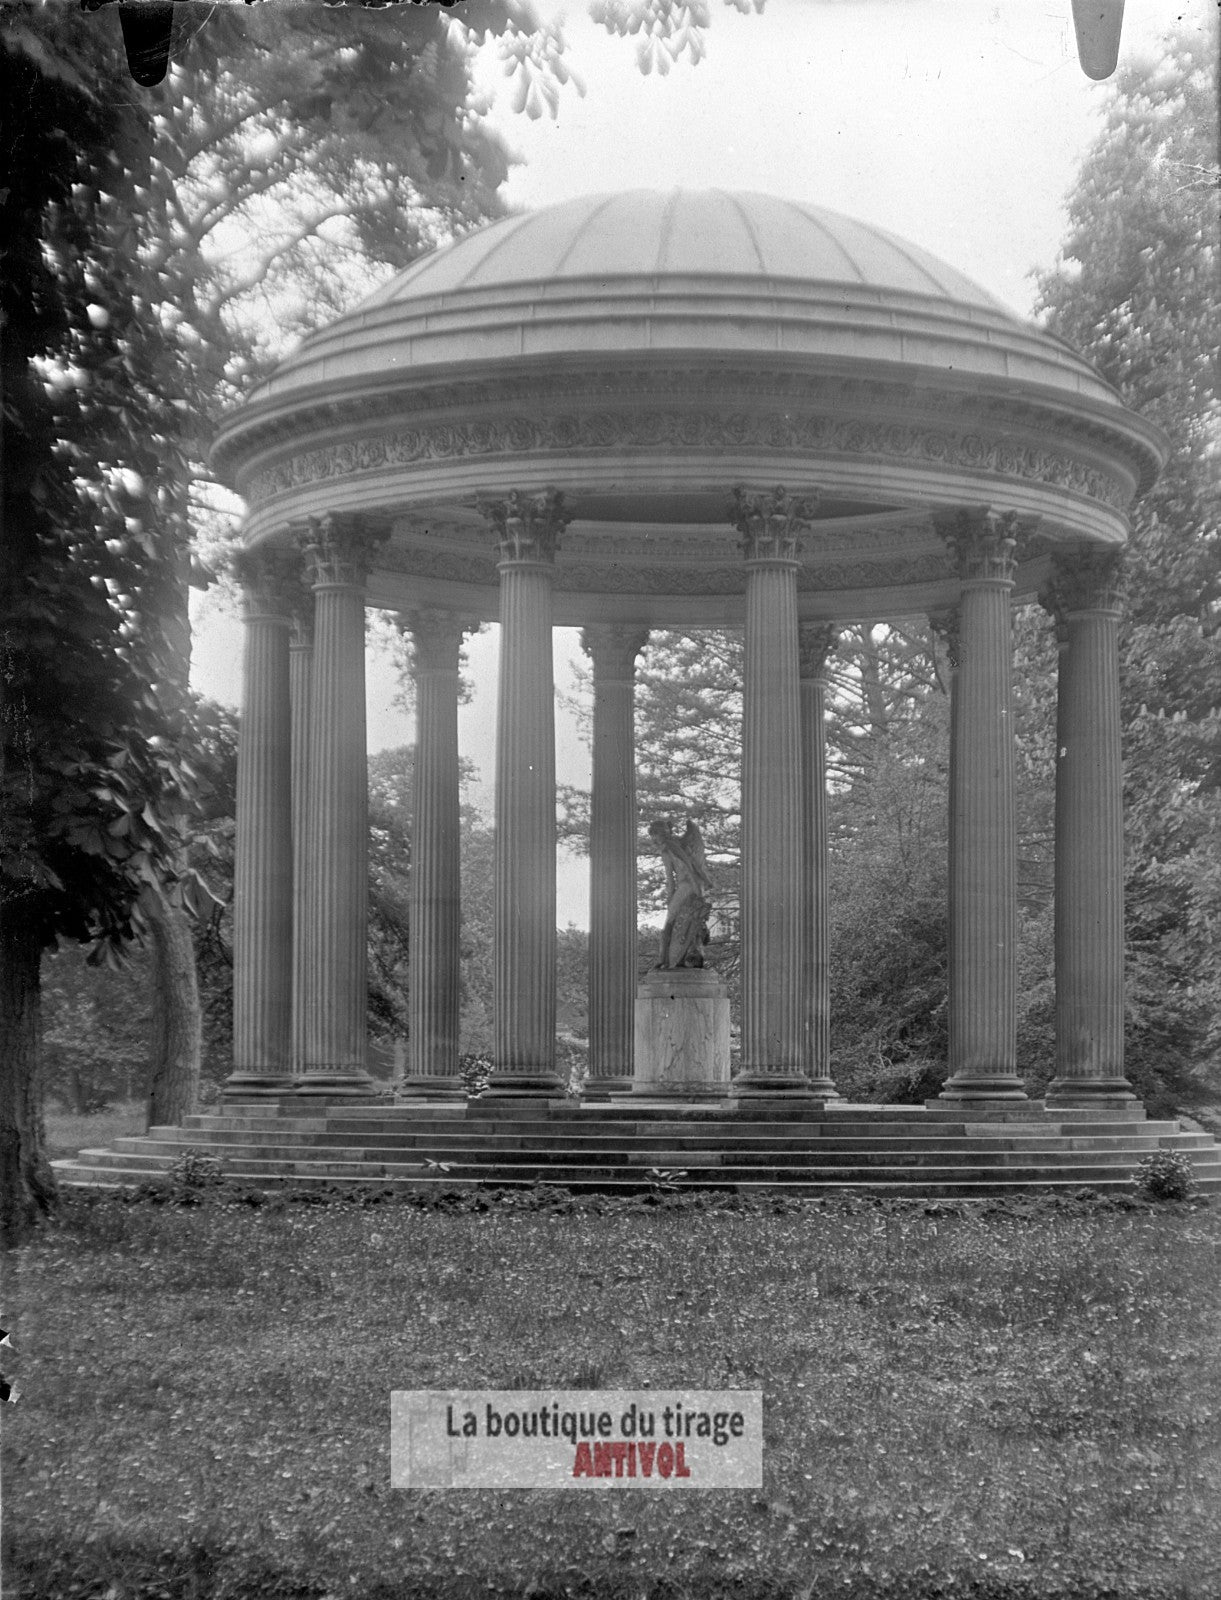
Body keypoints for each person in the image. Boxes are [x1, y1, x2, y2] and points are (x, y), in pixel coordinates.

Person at [648, 818, 713, 970]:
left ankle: (665, 959)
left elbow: (673, 879)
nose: (653, 840)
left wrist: (671, 899)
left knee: (670, 921)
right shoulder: (679, 845)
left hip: (688, 886)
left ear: (659, 835)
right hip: (694, 886)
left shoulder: (668, 850)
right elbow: (693, 867)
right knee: (685, 920)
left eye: (654, 836)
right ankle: (674, 958)